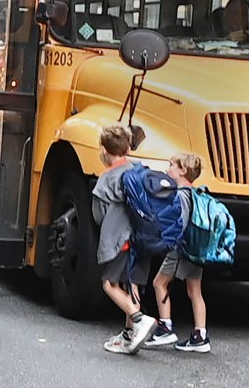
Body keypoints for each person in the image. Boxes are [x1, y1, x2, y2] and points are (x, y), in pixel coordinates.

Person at [92, 123, 158, 355]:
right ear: (127, 149)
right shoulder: (140, 171)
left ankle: (139, 319)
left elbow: (99, 215)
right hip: (143, 237)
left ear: (104, 151)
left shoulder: (106, 181)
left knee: (109, 284)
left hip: (120, 238)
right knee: (132, 285)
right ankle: (130, 335)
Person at [146, 153, 210, 353]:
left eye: (172, 165)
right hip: (196, 249)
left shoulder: (181, 194)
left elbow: (180, 223)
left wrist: (167, 240)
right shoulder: (198, 193)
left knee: (159, 283)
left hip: (180, 248)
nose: (168, 169)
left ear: (183, 171)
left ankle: (165, 327)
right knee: (195, 292)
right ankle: (201, 335)